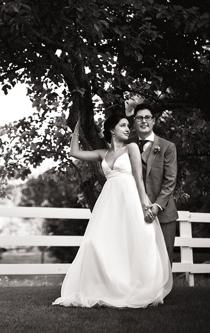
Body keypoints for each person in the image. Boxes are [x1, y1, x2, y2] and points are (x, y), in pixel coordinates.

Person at [52, 114, 172, 308]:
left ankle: (136, 287)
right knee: (95, 242)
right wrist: (76, 129)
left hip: (131, 198)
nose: (127, 129)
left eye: (127, 126)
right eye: (122, 125)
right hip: (109, 202)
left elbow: (138, 178)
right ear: (111, 130)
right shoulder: (103, 153)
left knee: (137, 240)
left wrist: (144, 205)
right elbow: (74, 152)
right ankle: (106, 287)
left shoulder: (131, 148)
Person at [132, 104, 178, 264]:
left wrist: (156, 206)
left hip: (163, 211)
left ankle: (164, 290)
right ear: (134, 121)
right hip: (135, 210)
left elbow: (170, 181)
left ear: (153, 121)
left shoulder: (167, 147)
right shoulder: (127, 147)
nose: (143, 121)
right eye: (139, 118)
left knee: (164, 257)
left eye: (147, 117)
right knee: (138, 257)